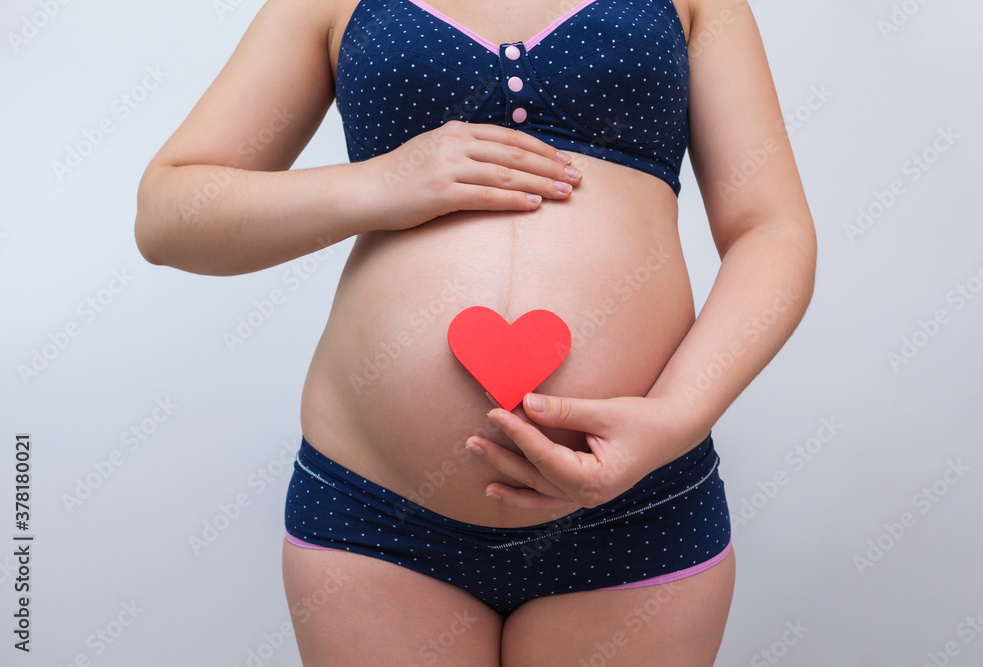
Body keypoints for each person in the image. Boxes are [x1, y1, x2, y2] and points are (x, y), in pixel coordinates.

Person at [134, 0, 816, 663]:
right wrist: (380, 181)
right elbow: (168, 215)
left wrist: (672, 418)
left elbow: (771, 230)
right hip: (378, 516)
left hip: (632, 505)